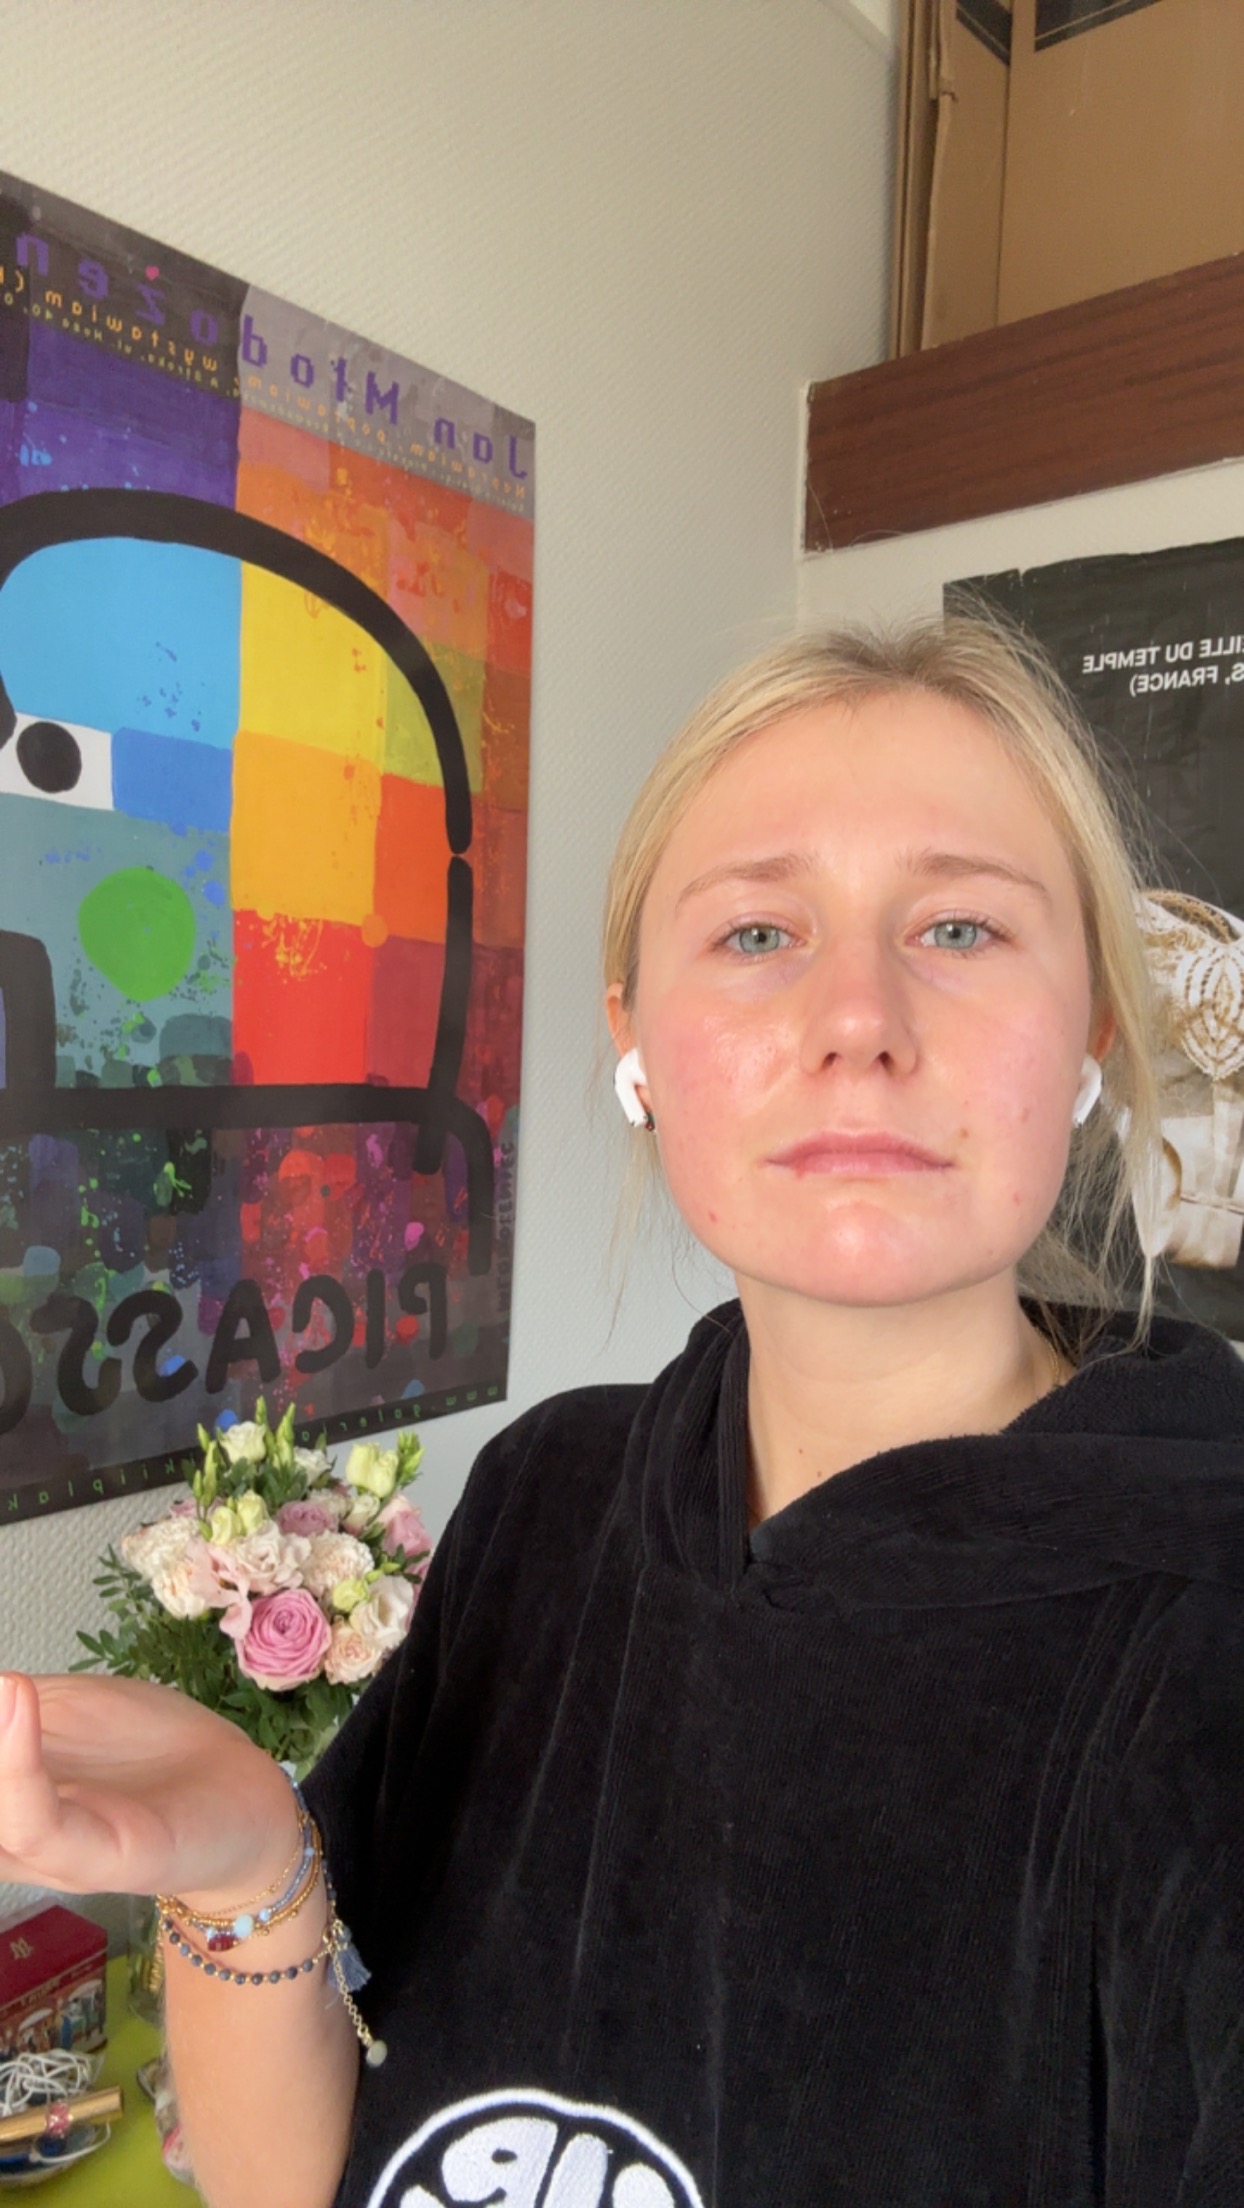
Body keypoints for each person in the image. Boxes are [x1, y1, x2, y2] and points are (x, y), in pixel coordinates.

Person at [3, 614, 1244, 2208]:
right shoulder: (554, 1490)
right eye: (757, 933)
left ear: (1089, 1035)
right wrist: (246, 1860)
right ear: (635, 1041)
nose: (857, 1017)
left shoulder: (1205, 1644)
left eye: (960, 926)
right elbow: (294, 2180)